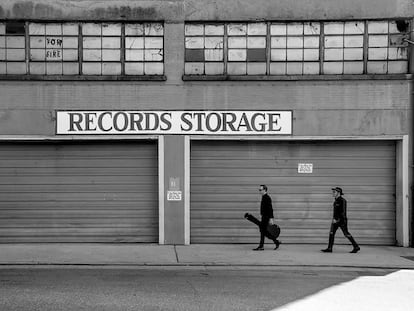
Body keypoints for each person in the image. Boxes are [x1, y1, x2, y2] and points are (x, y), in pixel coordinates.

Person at [321, 187, 360, 253]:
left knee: (346, 234)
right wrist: (334, 219)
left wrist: (338, 220)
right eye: (333, 192)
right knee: (331, 233)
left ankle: (356, 247)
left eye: (334, 192)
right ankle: (329, 248)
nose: (333, 193)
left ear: (338, 193)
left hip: (342, 221)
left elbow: (343, 212)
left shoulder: (343, 201)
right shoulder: (335, 200)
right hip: (335, 220)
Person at [253, 185, 281, 251]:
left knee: (263, 231)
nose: (259, 191)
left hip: (266, 217)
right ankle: (276, 242)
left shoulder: (267, 198)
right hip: (264, 217)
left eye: (260, 190)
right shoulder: (264, 197)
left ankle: (261, 246)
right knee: (264, 232)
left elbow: (270, 209)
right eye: (259, 190)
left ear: (265, 190)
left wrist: (271, 218)